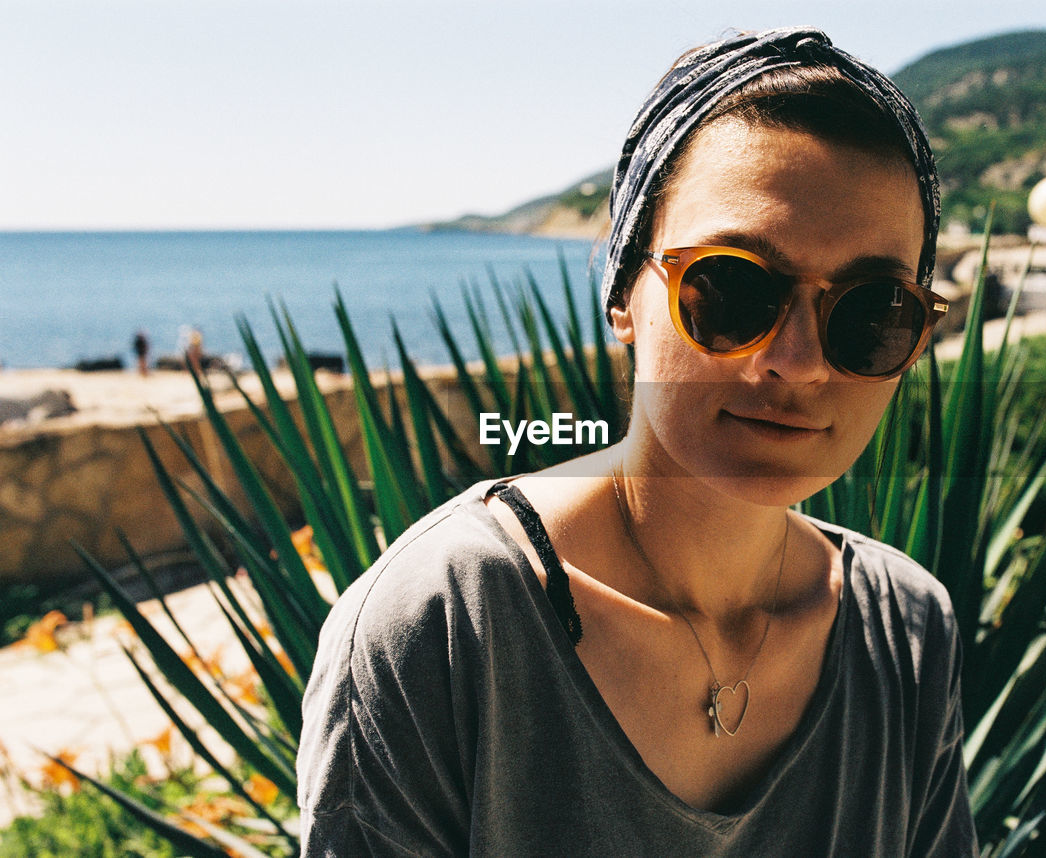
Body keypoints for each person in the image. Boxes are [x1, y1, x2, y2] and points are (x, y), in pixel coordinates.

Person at [298, 28, 977, 856]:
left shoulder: (905, 632)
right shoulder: (445, 625)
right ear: (624, 293)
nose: (797, 364)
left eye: (874, 310)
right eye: (733, 286)